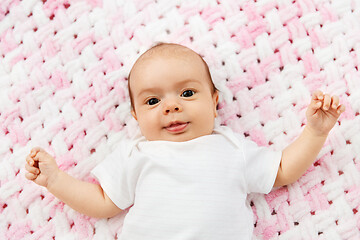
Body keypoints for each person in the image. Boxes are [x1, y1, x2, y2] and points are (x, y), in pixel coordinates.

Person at [25, 43, 345, 239]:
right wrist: (56, 180)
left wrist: (314, 132)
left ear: (214, 101)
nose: (171, 106)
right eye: (152, 102)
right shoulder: (137, 153)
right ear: (136, 117)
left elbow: (282, 170)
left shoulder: (231, 147)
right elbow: (103, 203)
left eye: (187, 93)